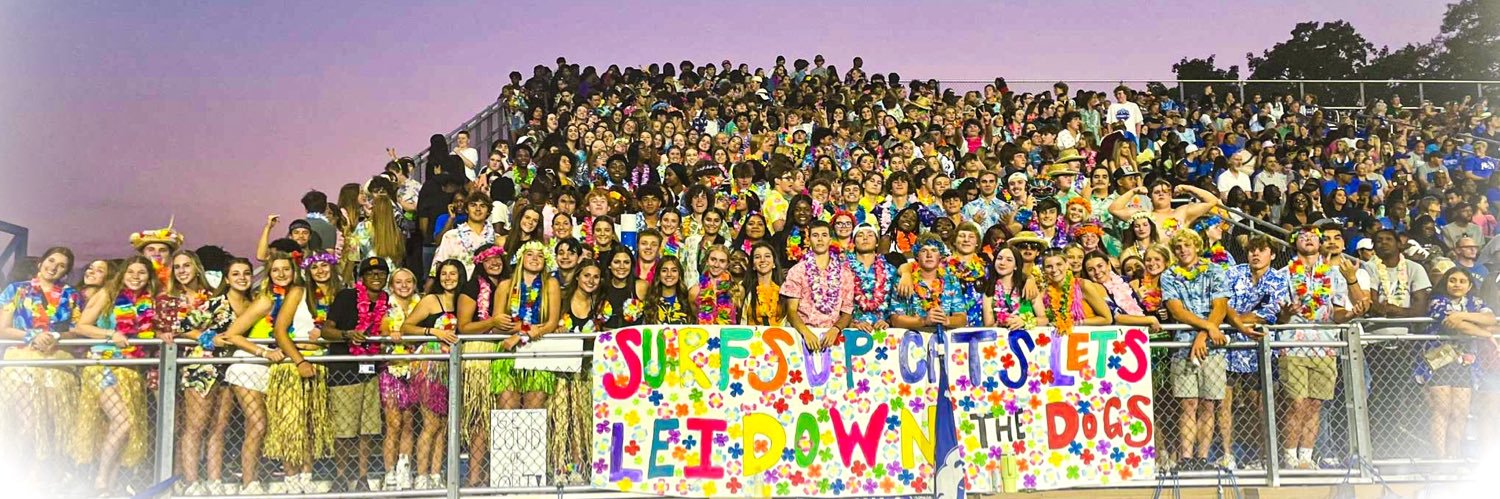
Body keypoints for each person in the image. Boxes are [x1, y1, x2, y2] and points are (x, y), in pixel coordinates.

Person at [1279, 226, 1365, 470]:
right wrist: (1284, 315)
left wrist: (1350, 314)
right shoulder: (1283, 273)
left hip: (1325, 345)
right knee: (1296, 404)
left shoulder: (1334, 275)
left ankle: (1306, 457)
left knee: (1315, 404)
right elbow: (1278, 316)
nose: (1308, 238)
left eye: (1312, 235)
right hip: (1293, 344)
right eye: (1302, 236)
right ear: (1294, 243)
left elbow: (1337, 312)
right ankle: (1289, 458)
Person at [72, 255, 158, 495]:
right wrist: (111, 335)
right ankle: (99, 479)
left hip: (131, 370)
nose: (136, 277)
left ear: (149, 277)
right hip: (102, 366)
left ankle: (108, 487)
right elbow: (82, 326)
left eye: (142, 273)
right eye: (131, 272)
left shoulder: (149, 302)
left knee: (122, 430)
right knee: (122, 421)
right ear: (122, 274)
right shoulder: (107, 294)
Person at [0, 247, 83, 486]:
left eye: (61, 265)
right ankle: (16, 473)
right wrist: (31, 336)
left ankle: (40, 477)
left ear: (66, 272)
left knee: (49, 423)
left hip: (56, 365)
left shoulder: (71, 295)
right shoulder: (16, 290)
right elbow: (3, 328)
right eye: (51, 260)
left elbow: (77, 331)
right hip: (22, 363)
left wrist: (57, 338)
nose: (54, 266)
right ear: (41, 262)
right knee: (27, 424)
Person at [1160, 230, 1231, 472]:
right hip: (1182, 345)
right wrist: (1208, 327)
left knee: (1209, 403)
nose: (1183, 250)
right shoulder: (1169, 275)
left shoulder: (1214, 270)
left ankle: (1203, 457)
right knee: (1188, 403)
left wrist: (1203, 334)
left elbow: (1220, 306)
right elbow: (1176, 310)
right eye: (1178, 247)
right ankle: (1187, 457)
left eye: (1187, 245)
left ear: (1197, 246)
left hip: (1211, 345)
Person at [1219, 235, 1291, 470]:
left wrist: (1234, 320)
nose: (1255, 254)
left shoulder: (1279, 279)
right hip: (1227, 346)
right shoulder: (1233, 272)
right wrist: (1237, 322)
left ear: (1272, 254)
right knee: (1223, 403)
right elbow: (1222, 302)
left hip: (1258, 347)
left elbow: (1269, 313)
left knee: (1257, 406)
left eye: (1261, 250)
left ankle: (1262, 456)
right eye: (1251, 250)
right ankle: (1226, 455)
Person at [1417, 268, 1498, 459]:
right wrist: (1486, 334)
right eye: (1452, 280)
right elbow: (1456, 325)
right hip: (1439, 361)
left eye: (1462, 281)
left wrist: (1461, 315)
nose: (1457, 284)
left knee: (1460, 412)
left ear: (1469, 286)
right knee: (1442, 410)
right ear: (1445, 283)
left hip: (1465, 363)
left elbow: (1490, 318)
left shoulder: (1475, 302)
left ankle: (1454, 457)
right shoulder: (1437, 301)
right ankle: (1440, 458)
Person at [396, 260, 463, 489]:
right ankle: (421, 475)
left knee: (444, 424)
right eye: (444, 274)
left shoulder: (464, 301)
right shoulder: (430, 300)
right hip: (430, 365)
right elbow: (407, 327)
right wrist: (433, 331)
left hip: (452, 367)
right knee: (431, 423)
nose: (448, 278)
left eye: (453, 274)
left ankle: (436, 474)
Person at [454, 243, 506, 487]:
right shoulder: (472, 286)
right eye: (489, 260)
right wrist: (493, 322)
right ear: (480, 263)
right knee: (480, 419)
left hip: (504, 352)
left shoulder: (508, 285)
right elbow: (464, 326)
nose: (495, 263)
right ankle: (474, 477)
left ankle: (499, 473)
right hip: (479, 353)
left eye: (498, 258)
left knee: (500, 416)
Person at [492, 241, 562, 409]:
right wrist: (528, 328)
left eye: (540, 256)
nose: (535, 258)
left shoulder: (551, 283)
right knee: (507, 412)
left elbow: (551, 323)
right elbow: (497, 323)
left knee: (533, 414)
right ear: (521, 258)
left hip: (538, 350)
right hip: (508, 353)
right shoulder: (505, 285)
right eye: (530, 254)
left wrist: (522, 333)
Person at [780, 220, 855, 349]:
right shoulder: (798, 270)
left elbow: (847, 311)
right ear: (808, 240)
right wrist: (806, 332)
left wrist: (835, 329)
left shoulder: (845, 273)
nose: (820, 239)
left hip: (833, 338)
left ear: (831, 240)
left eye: (824, 235)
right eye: (815, 235)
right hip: (802, 336)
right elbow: (791, 311)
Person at [890, 236, 971, 331]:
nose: (929, 255)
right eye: (924, 251)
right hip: (912, 341)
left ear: (940, 256)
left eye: (934, 250)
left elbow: (962, 318)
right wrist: (924, 321)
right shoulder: (904, 280)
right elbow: (895, 320)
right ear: (917, 256)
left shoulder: (951, 280)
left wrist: (946, 320)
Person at [431, 192, 497, 278]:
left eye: (483, 206)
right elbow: (438, 266)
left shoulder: (495, 238)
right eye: (473, 205)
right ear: (466, 209)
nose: (478, 209)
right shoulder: (451, 236)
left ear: (488, 211)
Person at [742, 242, 786, 326]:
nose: (763, 260)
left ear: (774, 263)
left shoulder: (785, 289)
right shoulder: (744, 288)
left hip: (780, 337)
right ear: (753, 265)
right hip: (752, 337)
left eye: (767, 256)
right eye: (757, 257)